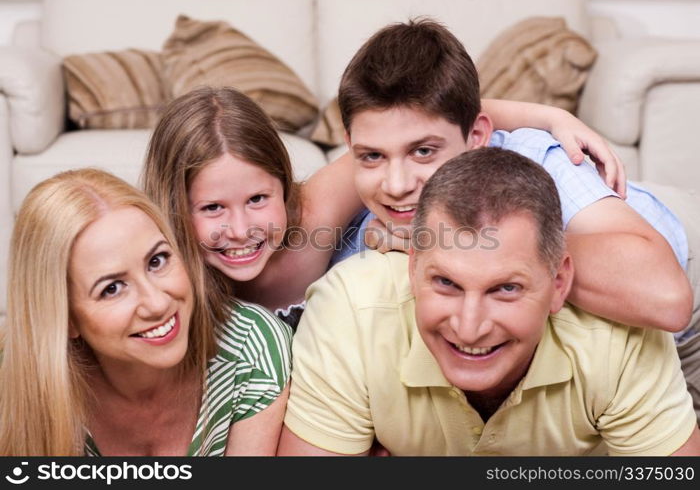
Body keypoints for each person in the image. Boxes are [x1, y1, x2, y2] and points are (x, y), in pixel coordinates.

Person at [327, 19, 700, 417]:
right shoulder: (361, 233)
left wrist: (456, 242)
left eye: (423, 152)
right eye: (372, 156)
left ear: (477, 139)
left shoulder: (540, 158)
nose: (397, 185)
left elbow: (668, 302)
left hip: (683, 315)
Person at [278, 148, 700, 456]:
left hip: (678, 251)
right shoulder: (350, 308)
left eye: (505, 289)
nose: (469, 327)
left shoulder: (619, 333)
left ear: (559, 284)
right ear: (411, 267)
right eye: (446, 283)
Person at [142, 86, 624, 330]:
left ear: (282, 188)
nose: (241, 229)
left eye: (258, 199)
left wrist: (549, 116)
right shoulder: (155, 277)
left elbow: (421, 116)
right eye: (210, 209)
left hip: (624, 227)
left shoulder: (311, 214)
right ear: (173, 207)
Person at [0, 169, 291, 456]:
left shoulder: (252, 349)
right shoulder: (16, 381)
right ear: (66, 318)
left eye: (157, 261)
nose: (157, 303)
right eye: (112, 288)